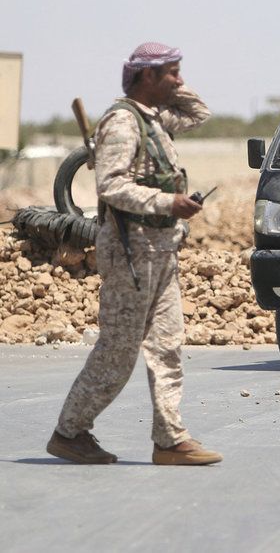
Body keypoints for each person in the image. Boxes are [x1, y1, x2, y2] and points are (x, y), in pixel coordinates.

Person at [46, 42, 222, 466]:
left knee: (167, 346)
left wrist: (168, 82)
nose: (180, 80)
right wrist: (169, 204)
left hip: (161, 250)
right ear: (148, 77)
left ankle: (170, 440)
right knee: (119, 351)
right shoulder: (124, 124)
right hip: (131, 251)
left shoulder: (156, 118)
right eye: (172, 72)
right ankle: (69, 432)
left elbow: (199, 113)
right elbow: (111, 187)